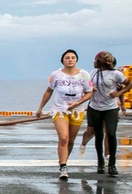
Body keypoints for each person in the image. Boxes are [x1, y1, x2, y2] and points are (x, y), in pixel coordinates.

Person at [36, 50, 93, 180]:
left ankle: (64, 160)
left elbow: (89, 92)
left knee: (71, 140)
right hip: (59, 109)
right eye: (67, 58)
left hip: (77, 110)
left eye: (73, 57)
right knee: (63, 138)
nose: (70, 60)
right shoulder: (56, 75)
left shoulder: (84, 75)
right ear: (63, 60)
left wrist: (78, 102)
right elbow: (49, 91)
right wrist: (40, 108)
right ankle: (63, 167)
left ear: (76, 60)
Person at [86, 52, 132, 176]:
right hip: (95, 107)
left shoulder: (116, 74)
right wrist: (91, 90)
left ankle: (112, 163)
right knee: (99, 135)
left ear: (101, 61)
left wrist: (118, 94)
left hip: (110, 108)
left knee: (111, 133)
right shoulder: (93, 73)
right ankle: (100, 161)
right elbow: (87, 86)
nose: (93, 62)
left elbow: (129, 84)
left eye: (95, 60)